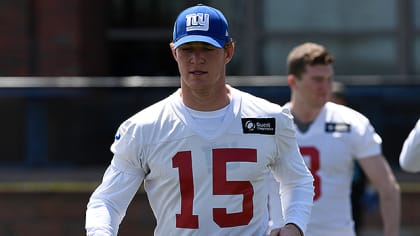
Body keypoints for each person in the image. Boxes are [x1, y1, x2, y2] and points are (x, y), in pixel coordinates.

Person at [85, 4, 314, 236]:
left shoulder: (269, 119)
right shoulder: (144, 128)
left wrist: (293, 226)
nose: (196, 59)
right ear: (174, 52)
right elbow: (107, 201)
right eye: (187, 49)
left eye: (207, 48)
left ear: (228, 52)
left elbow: (297, 181)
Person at [269, 42, 400, 236]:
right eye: (317, 79)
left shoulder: (352, 123)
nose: (326, 87)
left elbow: (387, 186)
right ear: (293, 81)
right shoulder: (270, 123)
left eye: (329, 79)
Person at [330, 81, 367, 234]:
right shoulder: (314, 123)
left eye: (338, 98)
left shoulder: (355, 123)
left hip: (353, 184)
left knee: (354, 223)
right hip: (328, 185)